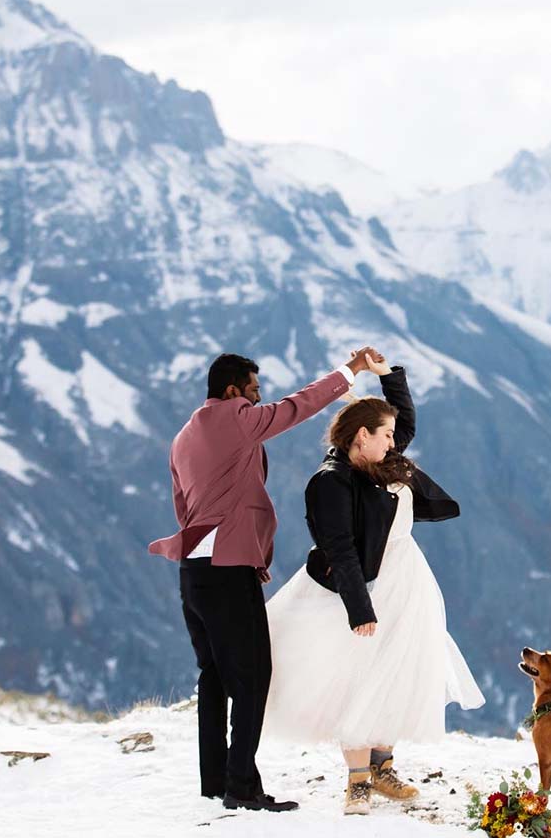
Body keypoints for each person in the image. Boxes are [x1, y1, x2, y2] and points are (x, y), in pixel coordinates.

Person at [149, 348, 379, 813]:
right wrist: (349, 372)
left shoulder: (183, 437)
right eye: (253, 391)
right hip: (227, 571)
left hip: (193, 569)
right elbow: (298, 407)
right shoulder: (235, 420)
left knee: (214, 675)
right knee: (253, 677)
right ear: (233, 391)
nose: (259, 400)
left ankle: (216, 781)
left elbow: (183, 506)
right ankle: (243, 787)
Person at [263, 354, 485, 815]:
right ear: (361, 437)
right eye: (384, 435)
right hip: (360, 586)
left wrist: (388, 377)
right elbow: (340, 549)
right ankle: (358, 781)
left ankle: (383, 767)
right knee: (356, 676)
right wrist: (359, 608)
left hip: (407, 580)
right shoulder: (333, 482)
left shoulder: (381, 459)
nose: (395, 442)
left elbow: (403, 421)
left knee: (396, 672)